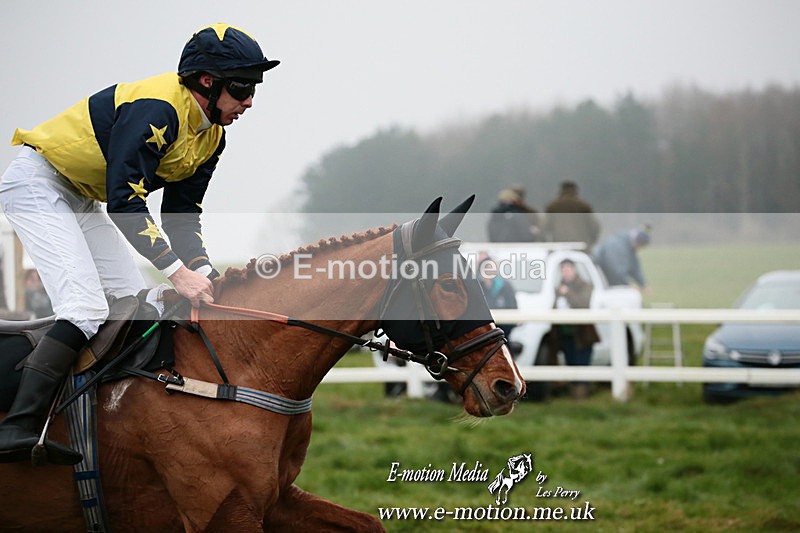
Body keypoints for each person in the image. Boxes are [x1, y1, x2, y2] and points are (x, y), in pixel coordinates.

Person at [0, 23, 279, 465]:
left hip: (81, 196)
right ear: (207, 81)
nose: (249, 102)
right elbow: (125, 202)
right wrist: (177, 273)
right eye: (242, 88)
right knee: (85, 309)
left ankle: (102, 420)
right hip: (39, 184)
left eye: (253, 89)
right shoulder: (156, 109)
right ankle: (18, 426)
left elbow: (182, 216)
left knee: (133, 303)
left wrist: (206, 273)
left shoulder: (212, 136)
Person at [548, 259, 599, 399]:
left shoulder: (585, 286)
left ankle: (581, 397)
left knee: (581, 365)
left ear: (574, 270)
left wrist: (568, 293)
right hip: (565, 334)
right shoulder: (558, 288)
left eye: (568, 269)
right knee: (570, 364)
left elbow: (583, 303)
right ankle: (573, 396)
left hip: (582, 335)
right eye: (563, 270)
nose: (566, 273)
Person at [542, 181, 600, 249]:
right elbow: (595, 227)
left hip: (559, 247)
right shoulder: (584, 206)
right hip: (581, 247)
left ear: (561, 191)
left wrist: (547, 244)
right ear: (575, 191)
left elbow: (544, 228)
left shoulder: (553, 206)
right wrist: (590, 242)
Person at [476, 253, 517, 338]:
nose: (489, 270)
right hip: (484, 329)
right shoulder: (477, 286)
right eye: (486, 268)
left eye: (491, 267)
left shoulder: (505, 286)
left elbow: (513, 307)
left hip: (504, 328)